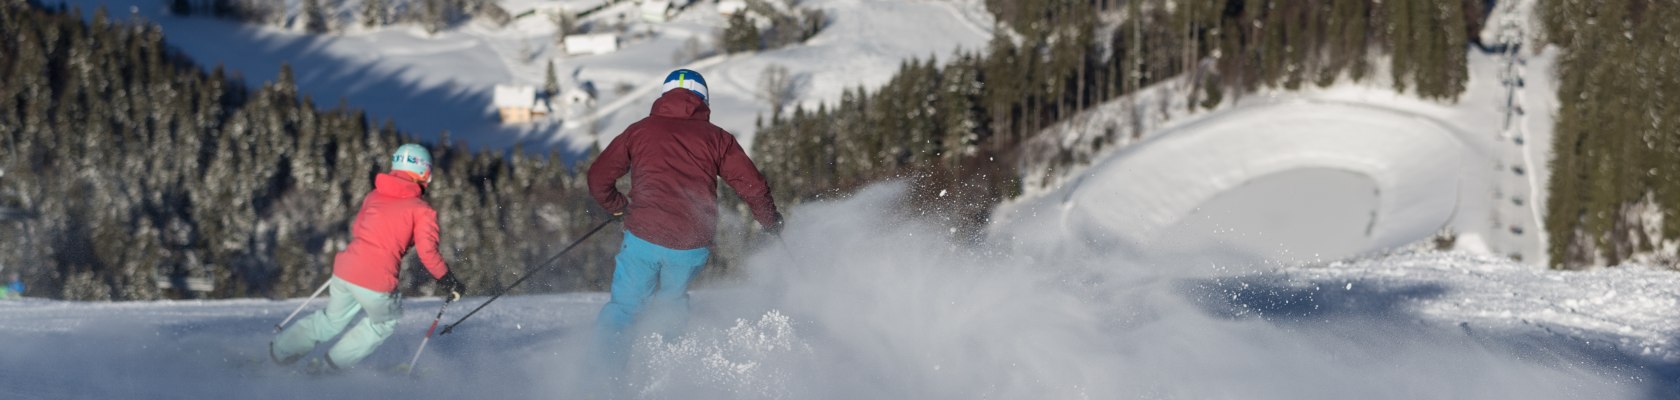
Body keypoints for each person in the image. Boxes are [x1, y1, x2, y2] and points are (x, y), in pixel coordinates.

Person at [586, 69, 782, 373]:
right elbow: (752, 186)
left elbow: (598, 177)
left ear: (664, 96)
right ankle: (666, 375)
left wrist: (618, 207)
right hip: (691, 243)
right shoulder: (718, 138)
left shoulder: (639, 131)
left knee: (625, 308)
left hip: (643, 236)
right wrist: (769, 220)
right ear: (704, 100)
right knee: (672, 300)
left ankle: (601, 380)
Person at [270, 144, 467, 371]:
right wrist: (448, 280)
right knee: (383, 322)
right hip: (376, 280)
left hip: (345, 270)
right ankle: (330, 367)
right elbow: (427, 252)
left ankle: (279, 352)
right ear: (423, 172)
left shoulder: (374, 196)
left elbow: (359, 229)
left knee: (330, 320)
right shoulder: (422, 210)